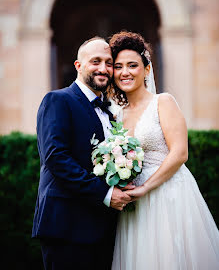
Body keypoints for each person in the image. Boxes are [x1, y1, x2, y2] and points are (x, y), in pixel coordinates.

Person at [109, 31, 219, 270]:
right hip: (133, 202)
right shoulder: (116, 115)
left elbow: (180, 153)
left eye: (132, 65)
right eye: (118, 66)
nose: (125, 72)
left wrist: (146, 187)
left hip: (168, 193)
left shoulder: (163, 102)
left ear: (146, 69)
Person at [32, 37, 133, 270]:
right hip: (66, 226)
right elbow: (56, 158)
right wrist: (106, 194)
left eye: (109, 63)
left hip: (104, 226)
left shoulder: (111, 113)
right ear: (78, 66)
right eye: (95, 61)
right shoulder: (57, 100)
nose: (103, 68)